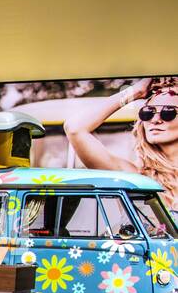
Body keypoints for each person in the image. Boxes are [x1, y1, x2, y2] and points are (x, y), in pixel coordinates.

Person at [65, 76, 178, 209]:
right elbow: (75, 128)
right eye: (148, 112)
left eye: (168, 112)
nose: (155, 120)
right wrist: (135, 92)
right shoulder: (135, 177)